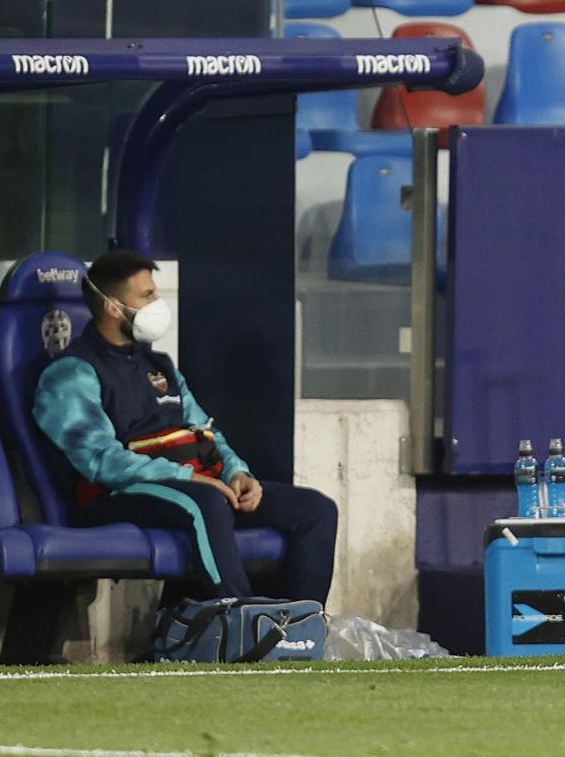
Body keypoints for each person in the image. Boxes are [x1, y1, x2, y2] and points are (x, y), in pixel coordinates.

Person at [34, 249, 338, 603]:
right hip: (116, 495)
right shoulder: (72, 373)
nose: (158, 302)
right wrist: (188, 478)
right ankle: (237, 623)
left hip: (194, 487)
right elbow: (101, 462)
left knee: (316, 510)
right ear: (113, 307)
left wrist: (237, 474)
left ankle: (300, 631)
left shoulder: (160, 366)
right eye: (147, 295)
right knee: (205, 502)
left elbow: (203, 434)